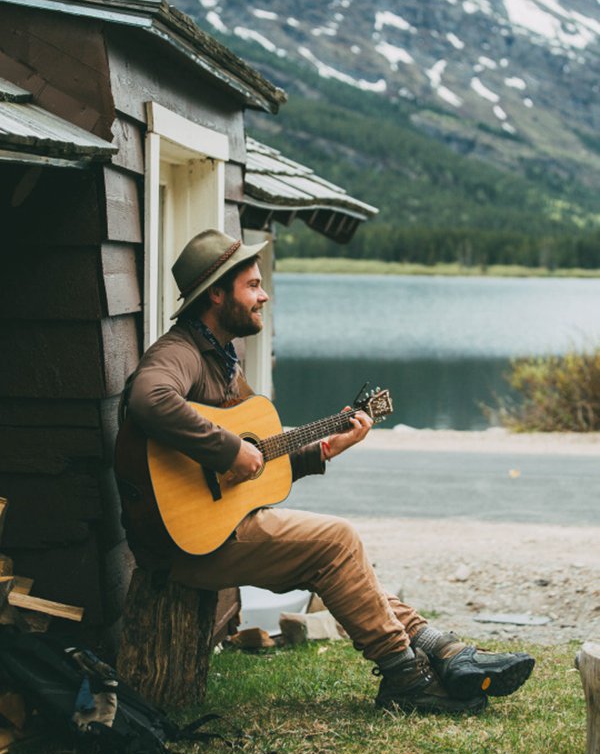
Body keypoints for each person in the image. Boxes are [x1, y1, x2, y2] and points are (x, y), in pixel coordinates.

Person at [117, 229, 534, 715]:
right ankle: (405, 677)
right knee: (337, 540)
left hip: (213, 528)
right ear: (216, 293)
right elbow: (149, 399)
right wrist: (228, 450)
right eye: (252, 285)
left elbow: (256, 465)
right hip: (179, 544)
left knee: (341, 559)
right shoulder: (181, 351)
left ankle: (444, 650)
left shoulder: (224, 357)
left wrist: (324, 449)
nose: (263, 294)